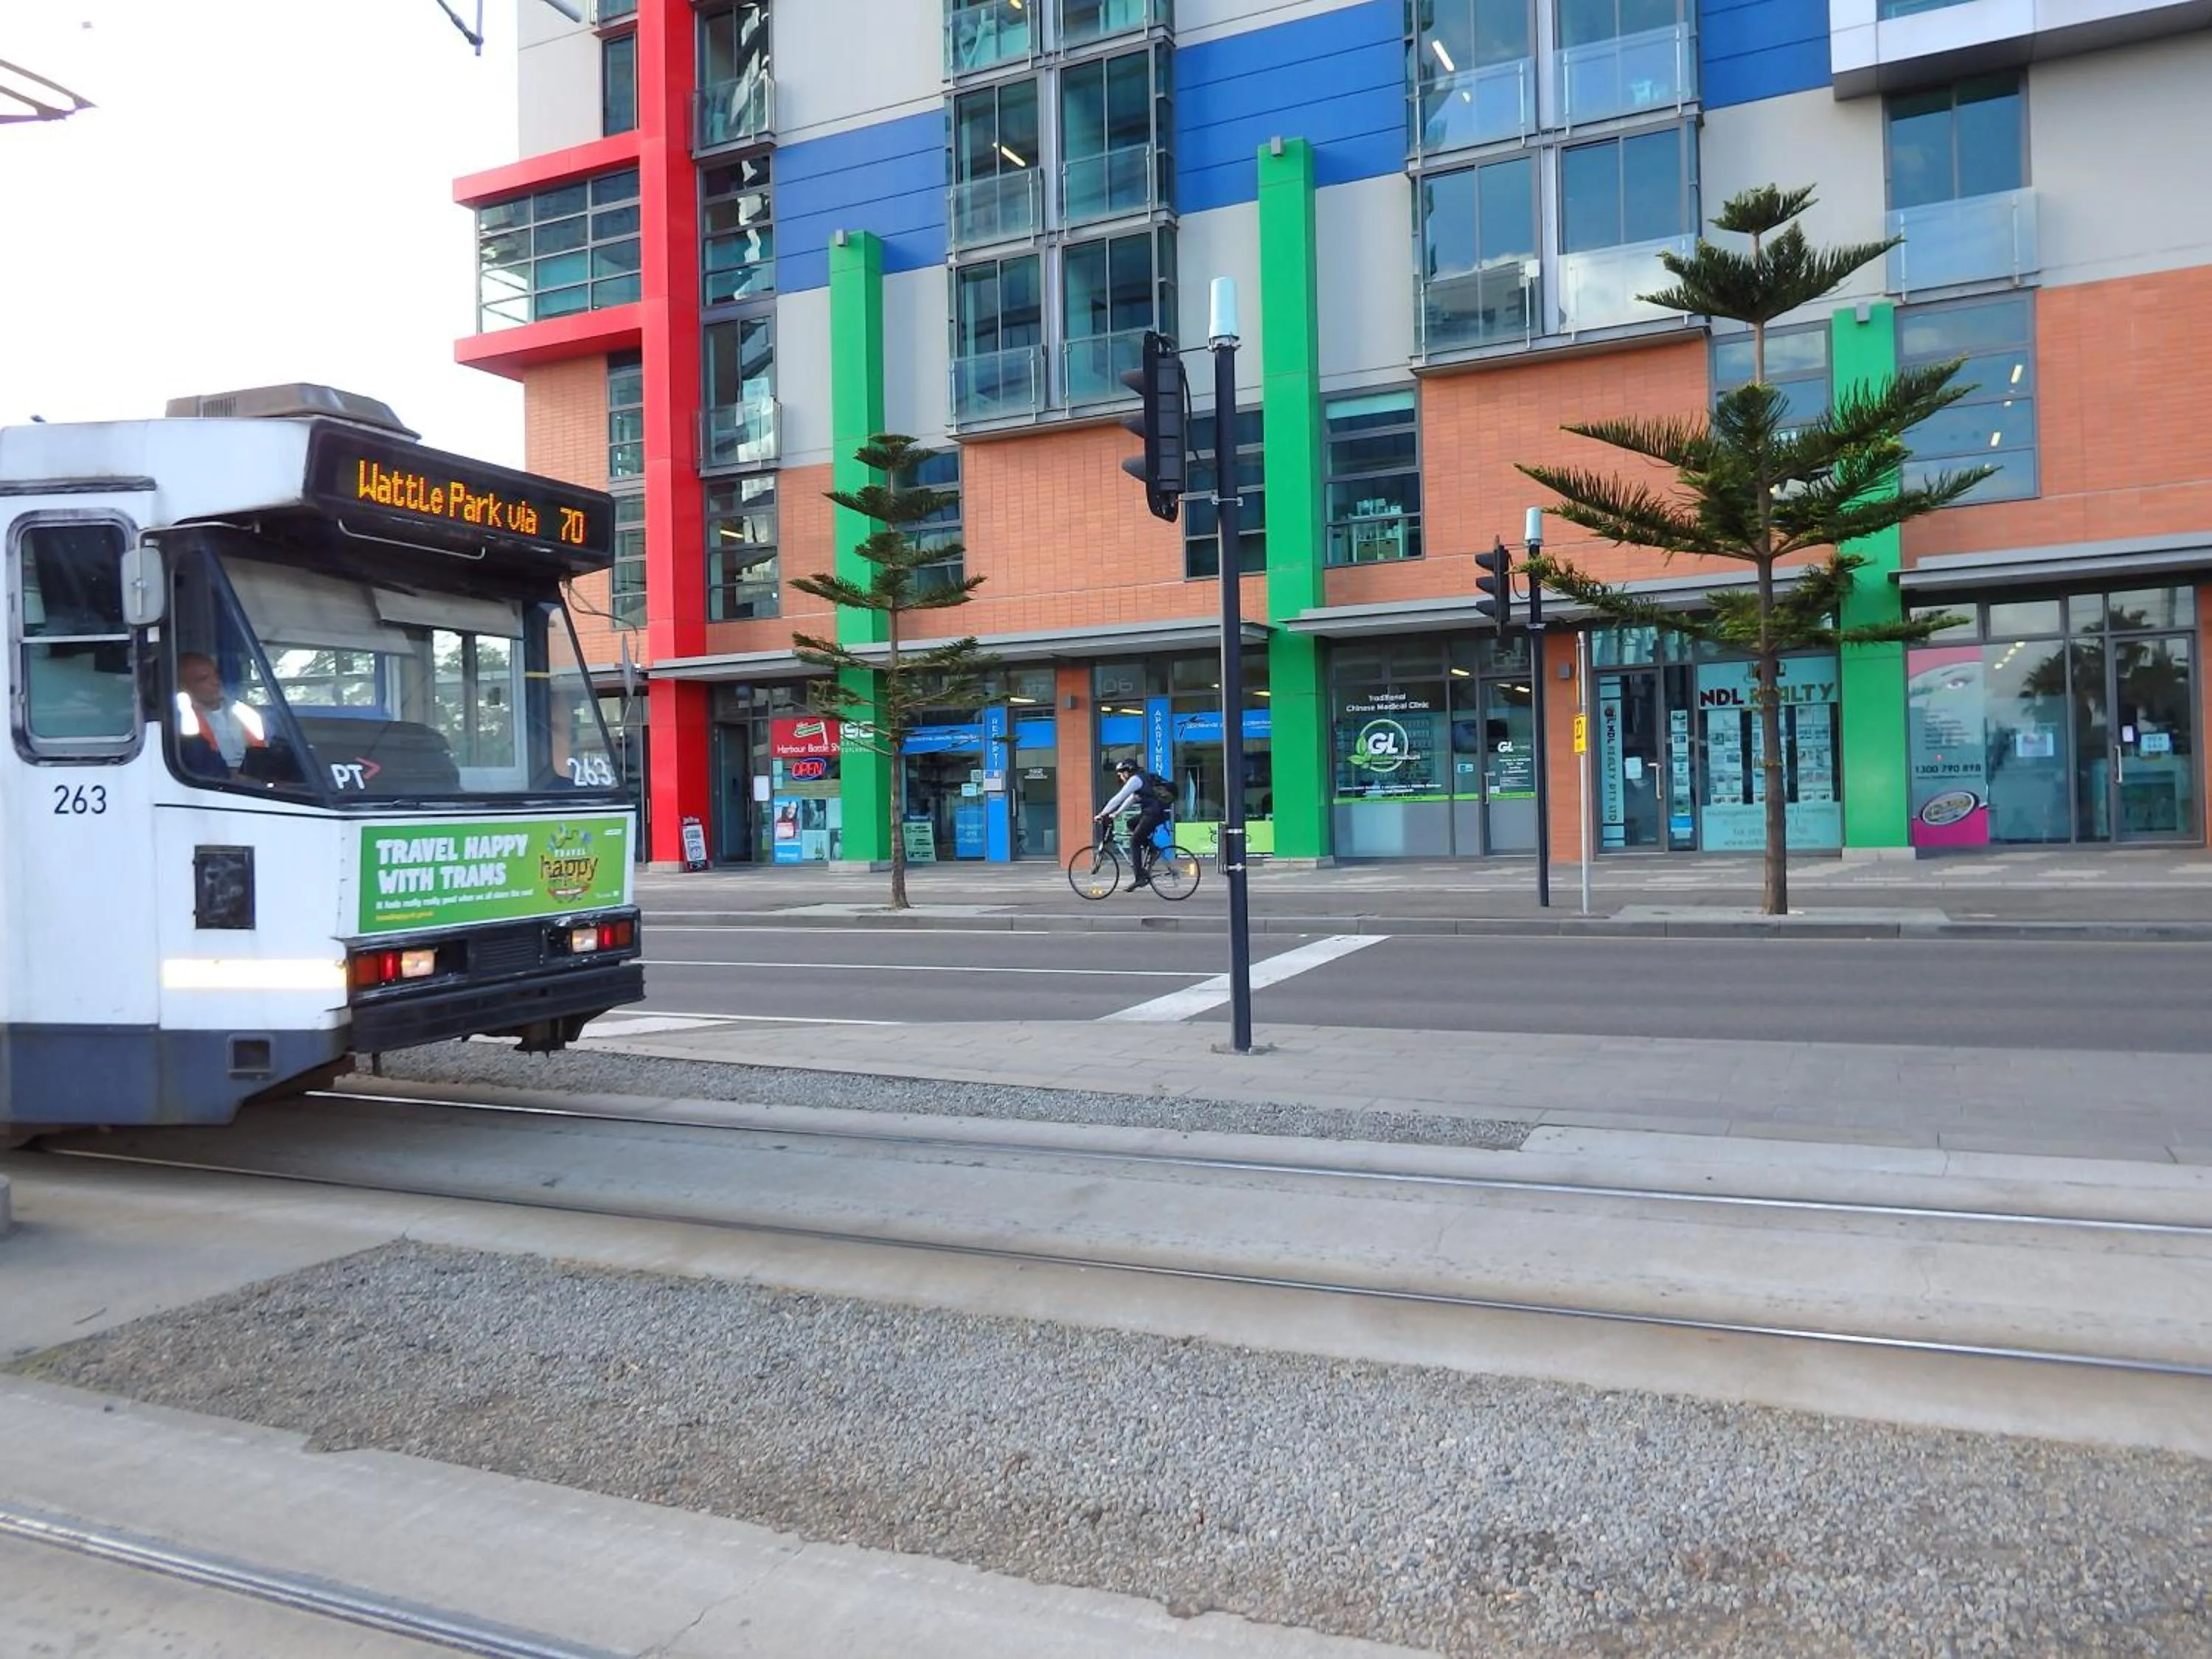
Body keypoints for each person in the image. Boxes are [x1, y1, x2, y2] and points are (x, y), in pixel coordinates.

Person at [174, 651, 270, 781]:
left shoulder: (245, 712)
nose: (215, 682)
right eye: (203, 679)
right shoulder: (183, 723)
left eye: (216, 675)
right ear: (184, 687)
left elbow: (263, 757)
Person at [1096, 757, 1175, 890]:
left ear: (1128, 771)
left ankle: (1140, 877)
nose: (1120, 777)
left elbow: (1119, 797)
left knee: (1134, 841)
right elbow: (1132, 798)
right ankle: (1153, 849)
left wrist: (1102, 814)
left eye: (1121, 774)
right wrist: (1118, 813)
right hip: (1156, 812)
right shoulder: (1142, 778)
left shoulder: (1135, 780)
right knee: (1131, 823)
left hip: (1154, 813)